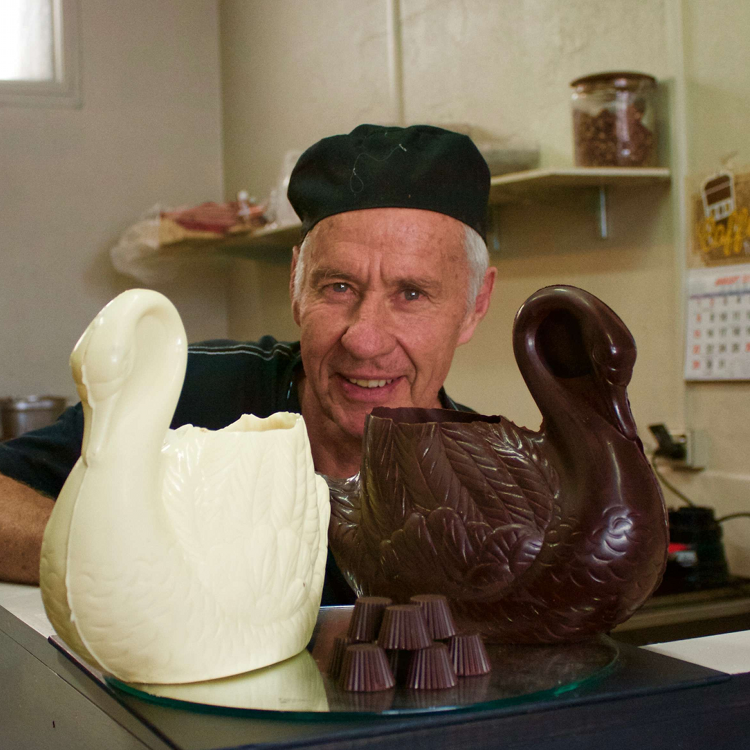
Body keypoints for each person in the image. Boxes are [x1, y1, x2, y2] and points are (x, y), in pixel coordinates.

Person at [0, 124, 496, 603]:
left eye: (411, 294)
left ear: (475, 306)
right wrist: (131, 560)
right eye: (338, 286)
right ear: (297, 287)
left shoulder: (495, 488)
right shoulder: (185, 391)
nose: (364, 340)